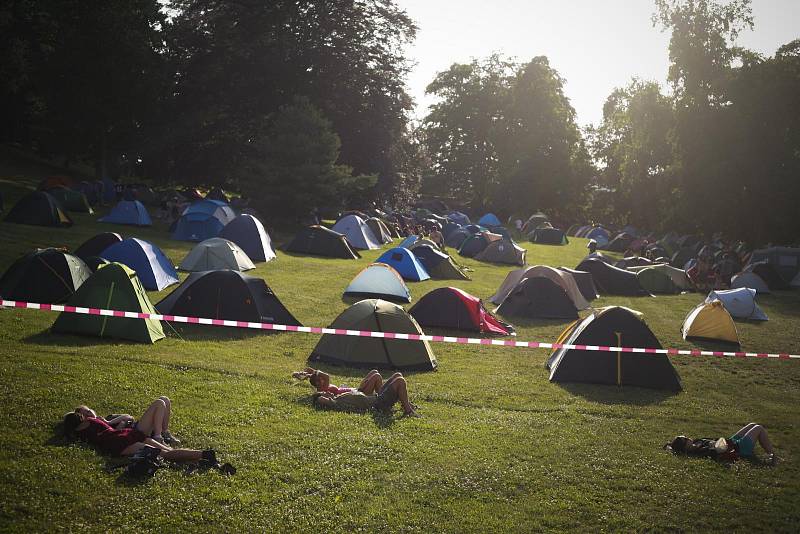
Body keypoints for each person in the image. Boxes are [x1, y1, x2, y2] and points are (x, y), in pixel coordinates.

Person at [62, 397, 217, 463]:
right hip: (128, 435)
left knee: (166, 455)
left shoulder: (80, 433)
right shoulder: (93, 421)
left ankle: (203, 455)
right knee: (167, 450)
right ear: (80, 416)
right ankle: (202, 456)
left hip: (119, 442)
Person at [311, 373, 419, 417]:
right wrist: (320, 398)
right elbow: (320, 400)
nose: (327, 392)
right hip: (377, 404)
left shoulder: (338, 398)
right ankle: (408, 411)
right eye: (324, 394)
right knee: (400, 380)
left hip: (376, 397)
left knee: (397, 375)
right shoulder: (336, 402)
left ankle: (406, 404)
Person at [666, 423, 776, 464]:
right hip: (738, 448)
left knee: (752, 424)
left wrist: (670, 447)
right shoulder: (700, 451)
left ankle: (770, 454)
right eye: (685, 438)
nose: (686, 437)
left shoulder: (695, 443)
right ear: (685, 446)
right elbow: (717, 451)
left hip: (731, 441)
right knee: (759, 428)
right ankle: (771, 455)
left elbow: (669, 446)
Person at [292, 367, 384, 396]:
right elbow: (326, 376)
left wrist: (304, 374)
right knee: (376, 376)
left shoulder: (320, 385)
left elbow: (314, 373)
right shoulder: (322, 389)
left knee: (374, 372)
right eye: (320, 378)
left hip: (357, 390)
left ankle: (379, 395)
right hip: (359, 394)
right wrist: (313, 374)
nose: (322, 378)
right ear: (317, 382)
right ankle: (381, 399)